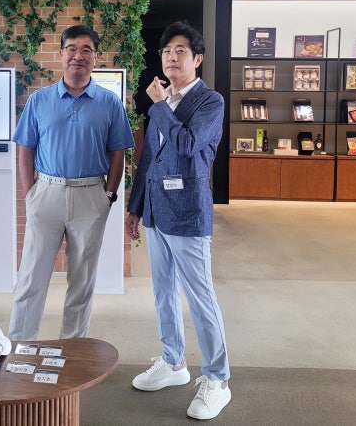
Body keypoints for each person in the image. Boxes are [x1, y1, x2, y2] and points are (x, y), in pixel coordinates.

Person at [125, 21, 231, 420]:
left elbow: (187, 145)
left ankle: (218, 379)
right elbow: (149, 160)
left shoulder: (210, 102)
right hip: (156, 211)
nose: (172, 57)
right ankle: (173, 362)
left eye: (180, 51)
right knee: (163, 292)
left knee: (201, 298)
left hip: (188, 213)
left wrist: (160, 106)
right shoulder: (162, 101)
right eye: (167, 51)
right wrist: (135, 207)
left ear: (197, 58)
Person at [8, 24, 135, 341]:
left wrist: (108, 196)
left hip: (91, 196)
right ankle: (20, 345)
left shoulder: (110, 103)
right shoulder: (39, 100)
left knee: (82, 279)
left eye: (86, 50)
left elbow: (118, 153)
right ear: (61, 54)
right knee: (31, 276)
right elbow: (25, 149)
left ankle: (73, 348)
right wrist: (31, 194)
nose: (78, 56)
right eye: (72, 49)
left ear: (95, 57)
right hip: (46, 193)